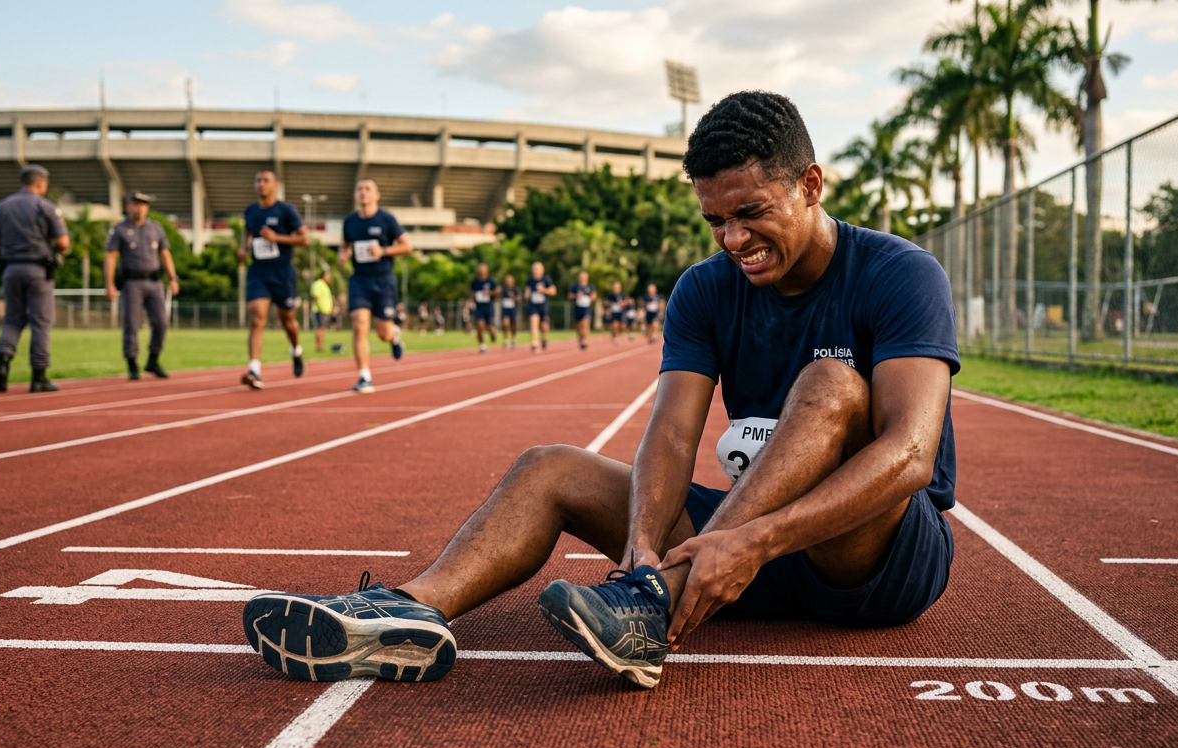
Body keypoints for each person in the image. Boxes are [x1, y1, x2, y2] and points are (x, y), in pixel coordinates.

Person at [242, 90, 958, 691]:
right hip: (742, 550)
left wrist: (749, 540)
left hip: (874, 555)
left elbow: (911, 453)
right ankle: (403, 615)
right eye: (715, 220)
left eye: (751, 212)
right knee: (548, 465)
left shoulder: (899, 272)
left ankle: (654, 605)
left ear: (810, 184)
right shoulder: (707, 291)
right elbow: (674, 433)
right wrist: (644, 544)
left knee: (832, 381)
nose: (733, 239)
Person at [0, 164, 68, 393]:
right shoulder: (46, 206)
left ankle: (2, 363)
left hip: (10, 269)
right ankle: (38, 375)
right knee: (40, 321)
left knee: (13, 318)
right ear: (40, 183)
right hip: (37, 270)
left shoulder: (2, 206)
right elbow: (63, 243)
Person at [339, 178, 413, 393]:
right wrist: (343, 255)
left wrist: (384, 251)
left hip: (383, 280)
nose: (363, 192)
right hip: (359, 280)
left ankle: (394, 335)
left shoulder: (386, 219)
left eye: (367, 189)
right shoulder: (350, 222)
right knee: (360, 324)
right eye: (359, 188)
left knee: (383, 333)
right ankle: (364, 376)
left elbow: (407, 246)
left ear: (376, 195)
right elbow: (345, 245)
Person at [237, 170, 307, 390]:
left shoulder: (286, 210)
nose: (261, 184)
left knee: (287, 320)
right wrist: (242, 247)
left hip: (282, 273)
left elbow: (304, 238)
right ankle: (254, 370)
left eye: (266, 181)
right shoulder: (251, 211)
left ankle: (296, 350)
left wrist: (276, 237)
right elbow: (247, 231)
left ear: (275, 185)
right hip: (259, 272)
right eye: (258, 180)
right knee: (257, 317)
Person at [105, 191, 178, 380]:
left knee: (161, 321)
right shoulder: (120, 229)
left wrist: (173, 277)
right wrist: (109, 284)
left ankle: (153, 359)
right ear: (128, 206)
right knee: (132, 324)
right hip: (132, 282)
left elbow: (165, 254)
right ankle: (132, 362)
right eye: (136, 203)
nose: (139, 207)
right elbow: (111, 257)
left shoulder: (156, 228)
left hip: (154, 282)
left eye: (143, 204)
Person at [525, 261, 557, 353]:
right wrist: (527, 295)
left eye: (538, 269)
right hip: (533, 305)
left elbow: (553, 291)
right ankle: (534, 342)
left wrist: (544, 290)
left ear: (542, 270)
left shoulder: (546, 279)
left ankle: (544, 337)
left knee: (544, 326)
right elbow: (527, 292)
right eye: (534, 269)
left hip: (543, 305)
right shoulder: (530, 280)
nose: (536, 270)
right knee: (533, 321)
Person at [470, 263, 497, 353]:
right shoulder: (475, 282)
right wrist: (471, 300)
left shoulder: (491, 281)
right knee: (479, 326)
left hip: (488, 306)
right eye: (480, 269)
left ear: (486, 270)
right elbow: (471, 293)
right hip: (479, 307)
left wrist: (490, 293)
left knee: (490, 327)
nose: (481, 271)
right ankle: (482, 345)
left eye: (483, 269)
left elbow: (498, 290)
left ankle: (492, 333)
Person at [310, 267, 337, 353]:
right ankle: (318, 346)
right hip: (319, 310)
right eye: (328, 275)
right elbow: (316, 297)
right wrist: (321, 308)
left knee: (323, 328)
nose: (329, 277)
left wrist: (331, 309)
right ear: (323, 275)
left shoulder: (325, 286)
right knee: (320, 328)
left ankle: (320, 346)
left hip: (325, 311)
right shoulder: (318, 284)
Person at [567, 271, 596, 350]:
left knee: (585, 323)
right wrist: (576, 295)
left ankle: (584, 340)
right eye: (581, 278)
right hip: (577, 309)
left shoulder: (590, 287)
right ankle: (580, 339)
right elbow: (569, 296)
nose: (582, 279)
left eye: (584, 278)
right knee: (578, 326)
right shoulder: (575, 286)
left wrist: (589, 298)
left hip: (586, 308)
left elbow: (594, 296)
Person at [499, 274, 520, 349]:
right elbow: (499, 297)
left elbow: (519, 299)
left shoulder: (515, 289)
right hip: (505, 309)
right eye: (507, 281)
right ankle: (505, 339)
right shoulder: (503, 289)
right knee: (505, 324)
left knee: (513, 325)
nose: (508, 282)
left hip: (513, 309)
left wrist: (513, 298)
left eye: (509, 281)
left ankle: (513, 338)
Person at [605, 281, 626, 345]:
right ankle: (615, 337)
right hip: (613, 313)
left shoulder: (622, 295)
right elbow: (605, 302)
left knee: (622, 327)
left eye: (617, 288)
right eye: (614, 288)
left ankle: (616, 333)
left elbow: (626, 302)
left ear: (620, 288)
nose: (616, 289)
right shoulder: (610, 296)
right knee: (615, 325)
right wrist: (608, 304)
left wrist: (623, 303)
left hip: (620, 313)